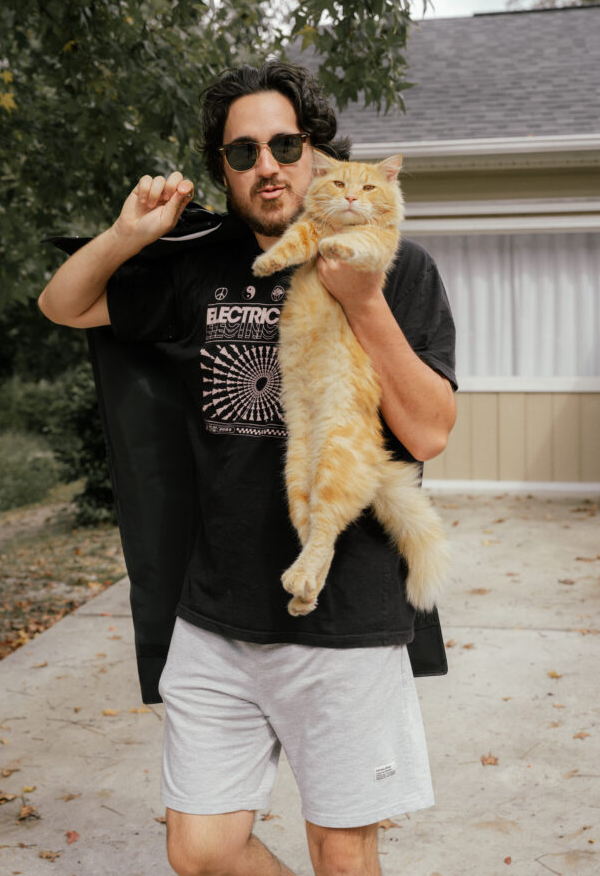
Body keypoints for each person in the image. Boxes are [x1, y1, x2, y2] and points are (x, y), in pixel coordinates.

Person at [38, 60, 457, 876]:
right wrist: (129, 235)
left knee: (341, 855)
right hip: (216, 613)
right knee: (201, 852)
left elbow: (431, 431)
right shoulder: (198, 263)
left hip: (342, 614)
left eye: (283, 143)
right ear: (222, 170)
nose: (265, 165)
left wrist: (363, 303)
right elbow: (64, 304)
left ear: (316, 152)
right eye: (241, 152)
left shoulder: (397, 266)